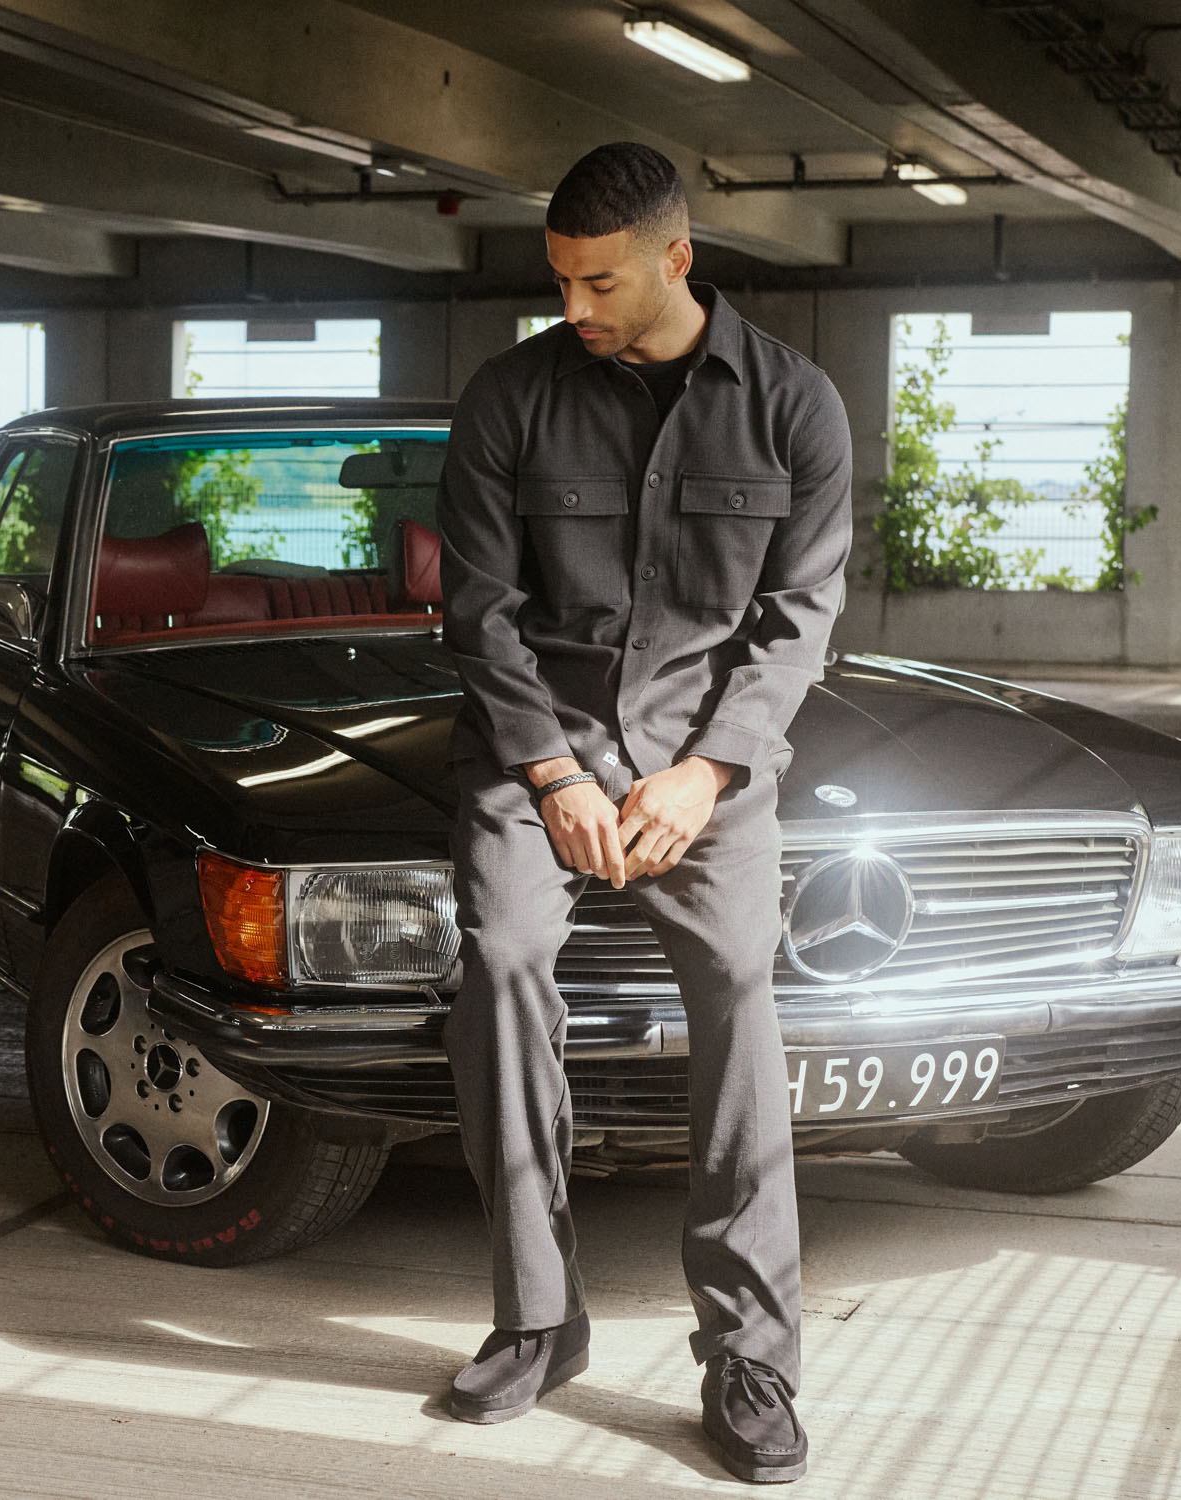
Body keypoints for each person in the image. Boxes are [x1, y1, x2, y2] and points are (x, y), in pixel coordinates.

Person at [435, 141, 852, 1484]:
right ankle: (538, 1318)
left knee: (740, 979)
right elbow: (480, 615)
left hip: (704, 768)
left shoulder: (795, 406)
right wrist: (555, 776)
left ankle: (750, 1359)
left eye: (601, 280)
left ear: (680, 259)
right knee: (498, 959)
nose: (577, 308)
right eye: (560, 280)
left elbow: (798, 625)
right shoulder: (508, 398)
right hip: (532, 750)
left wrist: (706, 772)